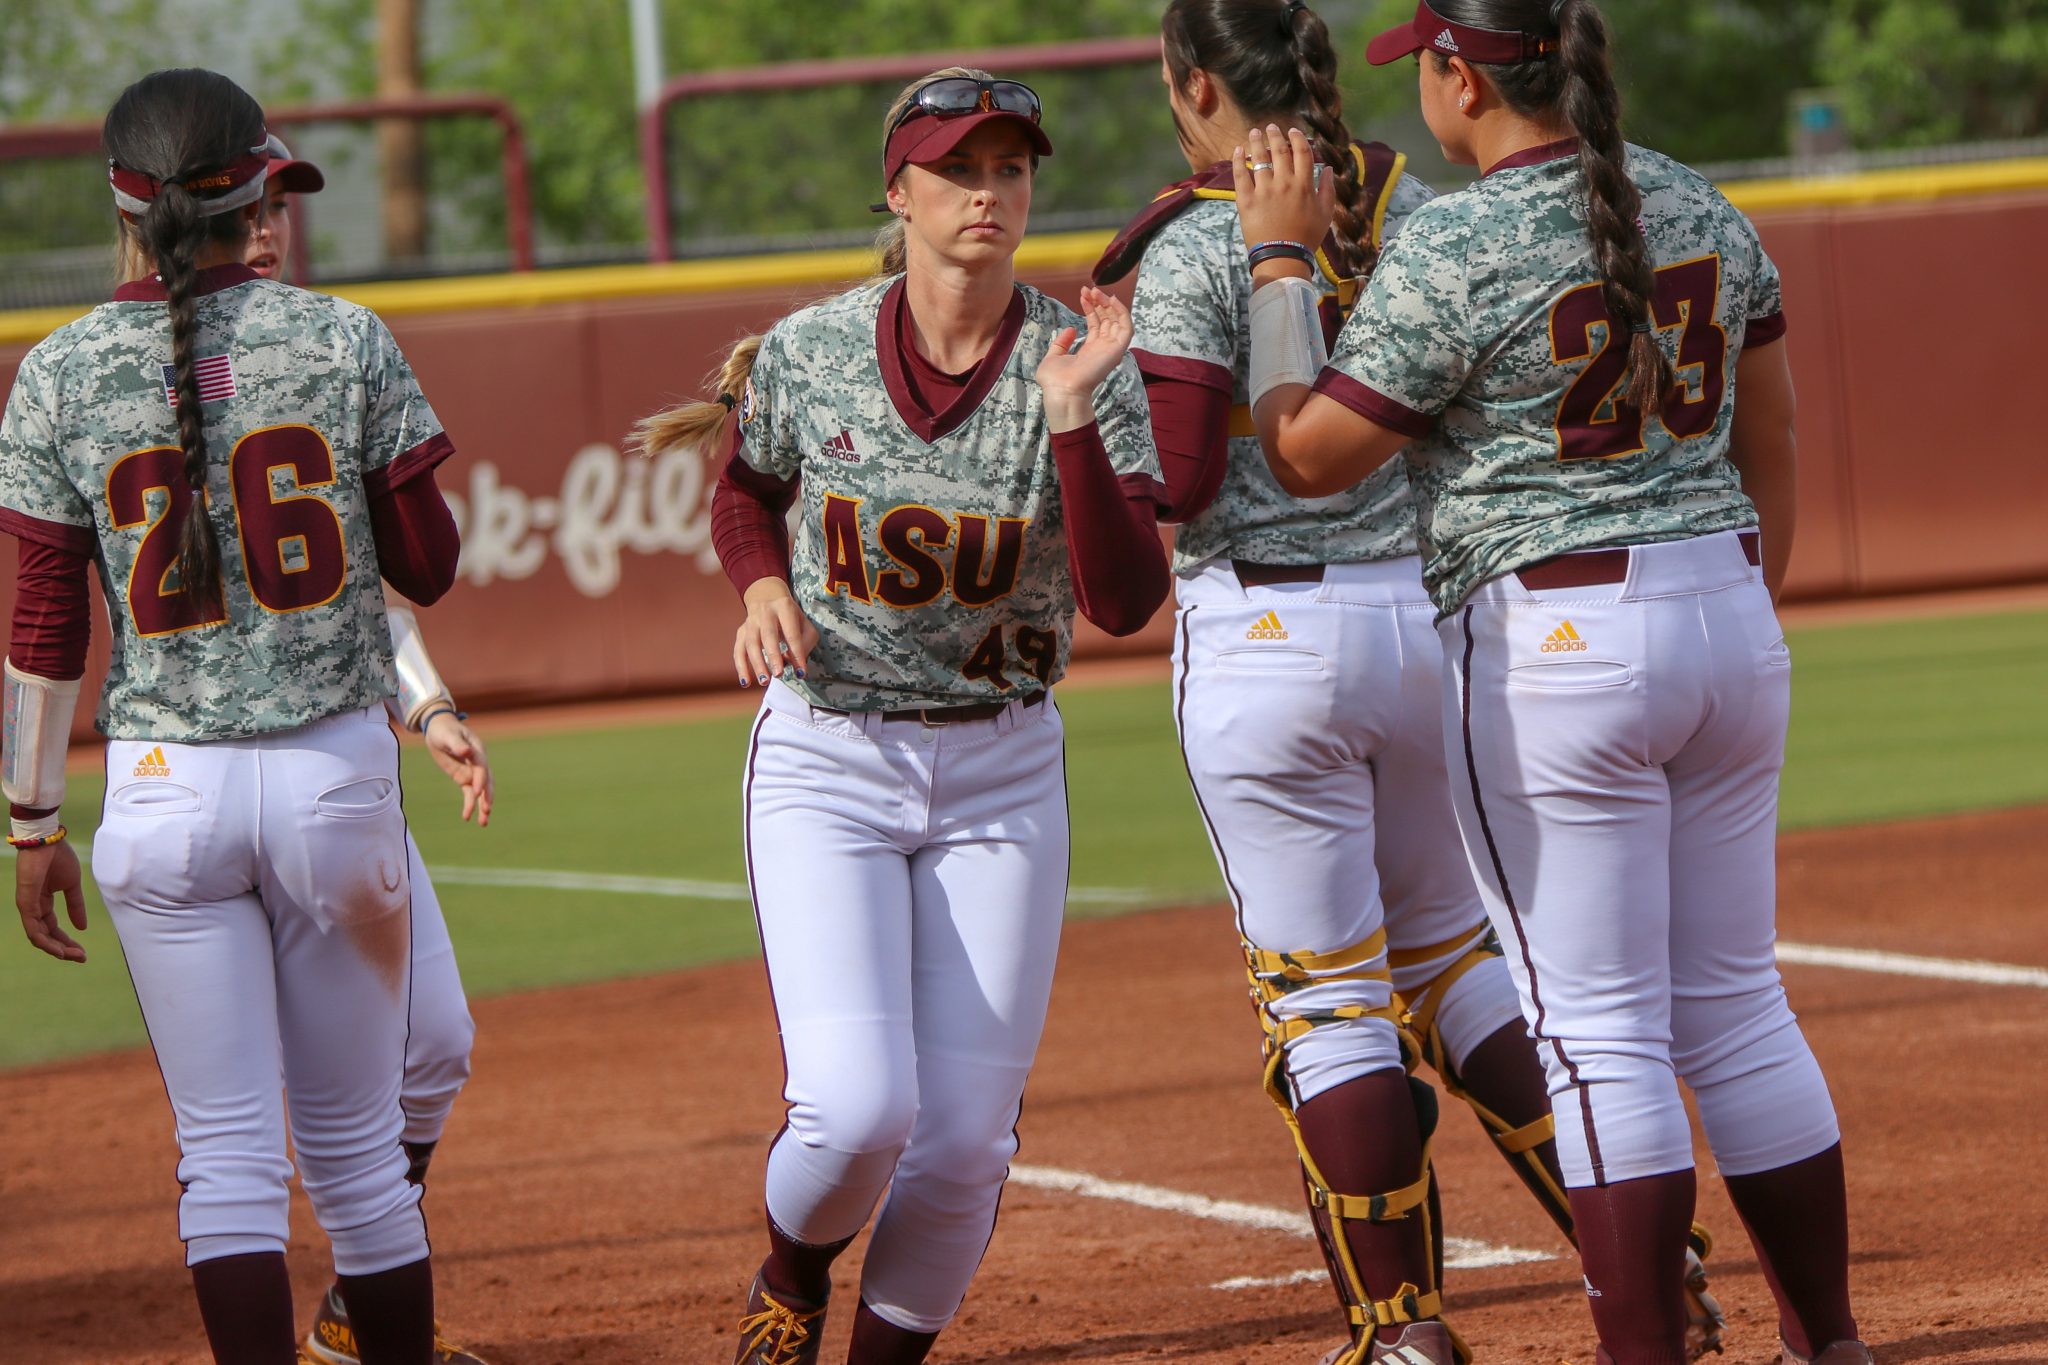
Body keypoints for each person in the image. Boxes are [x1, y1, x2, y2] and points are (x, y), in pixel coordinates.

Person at [1229, 2, 1866, 1363]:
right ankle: (1834, 1343)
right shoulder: (1695, 197)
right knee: (1740, 1002)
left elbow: (1303, 457)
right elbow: (1776, 429)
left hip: (1558, 645)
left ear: (1462, 76)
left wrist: (1280, 259)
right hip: (1727, 616)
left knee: (1596, 1032)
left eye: (1431, 73)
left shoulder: (1455, 240)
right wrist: (1739, 602)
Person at [1093, 2, 1717, 1360]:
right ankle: (1647, 1256)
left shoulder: (1196, 235)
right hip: (1433, 627)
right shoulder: (1418, 203)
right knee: (1454, 961)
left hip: (1270, 638)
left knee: (1327, 998)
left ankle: (1404, 1335)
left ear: (1192, 84)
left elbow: (1189, 480)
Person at [637, 67, 1169, 1365]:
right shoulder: (817, 349)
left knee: (969, 1133)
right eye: (958, 168)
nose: (989, 192)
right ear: (900, 191)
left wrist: (1074, 421)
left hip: (1001, 764)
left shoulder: (1080, 357)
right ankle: (793, 1266)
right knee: (856, 1110)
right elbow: (742, 490)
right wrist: (761, 584)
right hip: (833, 752)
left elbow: (1125, 595)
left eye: (1010, 168)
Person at [3, 69, 463, 1365]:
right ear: (260, 187)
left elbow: (45, 629)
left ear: (122, 206)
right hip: (331, 779)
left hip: (162, 792)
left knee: (227, 1164)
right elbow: (429, 565)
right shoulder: (343, 337)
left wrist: (30, 822)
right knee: (362, 1169)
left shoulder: (52, 372)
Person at [242, 131, 494, 1365]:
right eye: (248, 201)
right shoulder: (146, 372)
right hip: (221, 780)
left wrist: (430, 708)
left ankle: (357, 1313)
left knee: (437, 1045)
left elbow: (376, 594)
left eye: (282, 202)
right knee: (250, 1119)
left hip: (352, 766)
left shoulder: (334, 349)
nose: (270, 223)